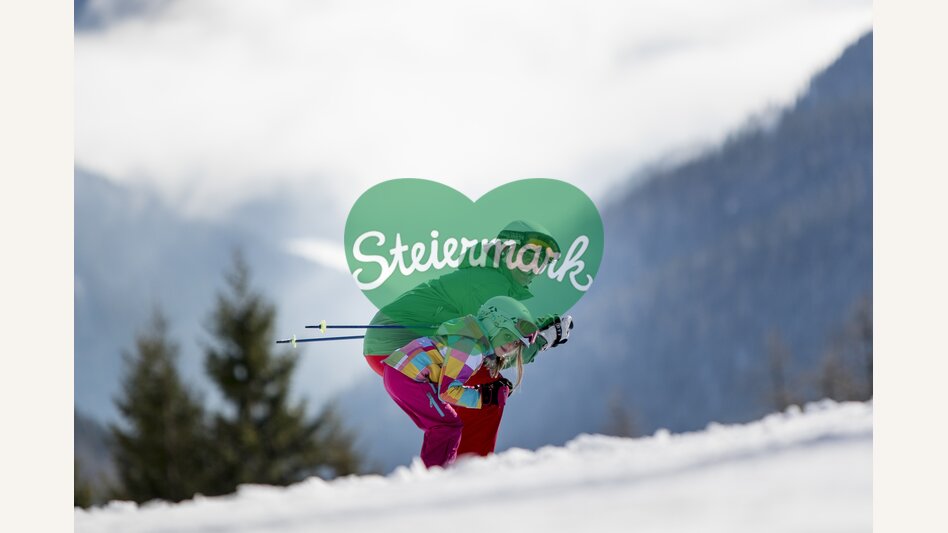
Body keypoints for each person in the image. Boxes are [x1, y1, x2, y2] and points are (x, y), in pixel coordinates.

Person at [363, 220, 574, 457]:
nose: (534, 269)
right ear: (505, 251)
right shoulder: (489, 283)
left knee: (483, 384)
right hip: (396, 341)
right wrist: (542, 340)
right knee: (487, 390)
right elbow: (492, 346)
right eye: (527, 257)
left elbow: (488, 345)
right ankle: (470, 465)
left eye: (543, 263)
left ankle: (460, 463)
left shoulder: (491, 280)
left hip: (394, 342)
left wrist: (539, 337)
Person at [382, 296, 538, 468]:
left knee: (442, 425)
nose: (510, 346)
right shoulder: (471, 347)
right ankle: (435, 478)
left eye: (516, 343)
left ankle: (433, 473)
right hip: (407, 377)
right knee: (447, 426)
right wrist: (485, 396)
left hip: (399, 371)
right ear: (493, 324)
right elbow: (448, 391)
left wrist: (485, 391)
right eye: (508, 336)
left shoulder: (469, 334)